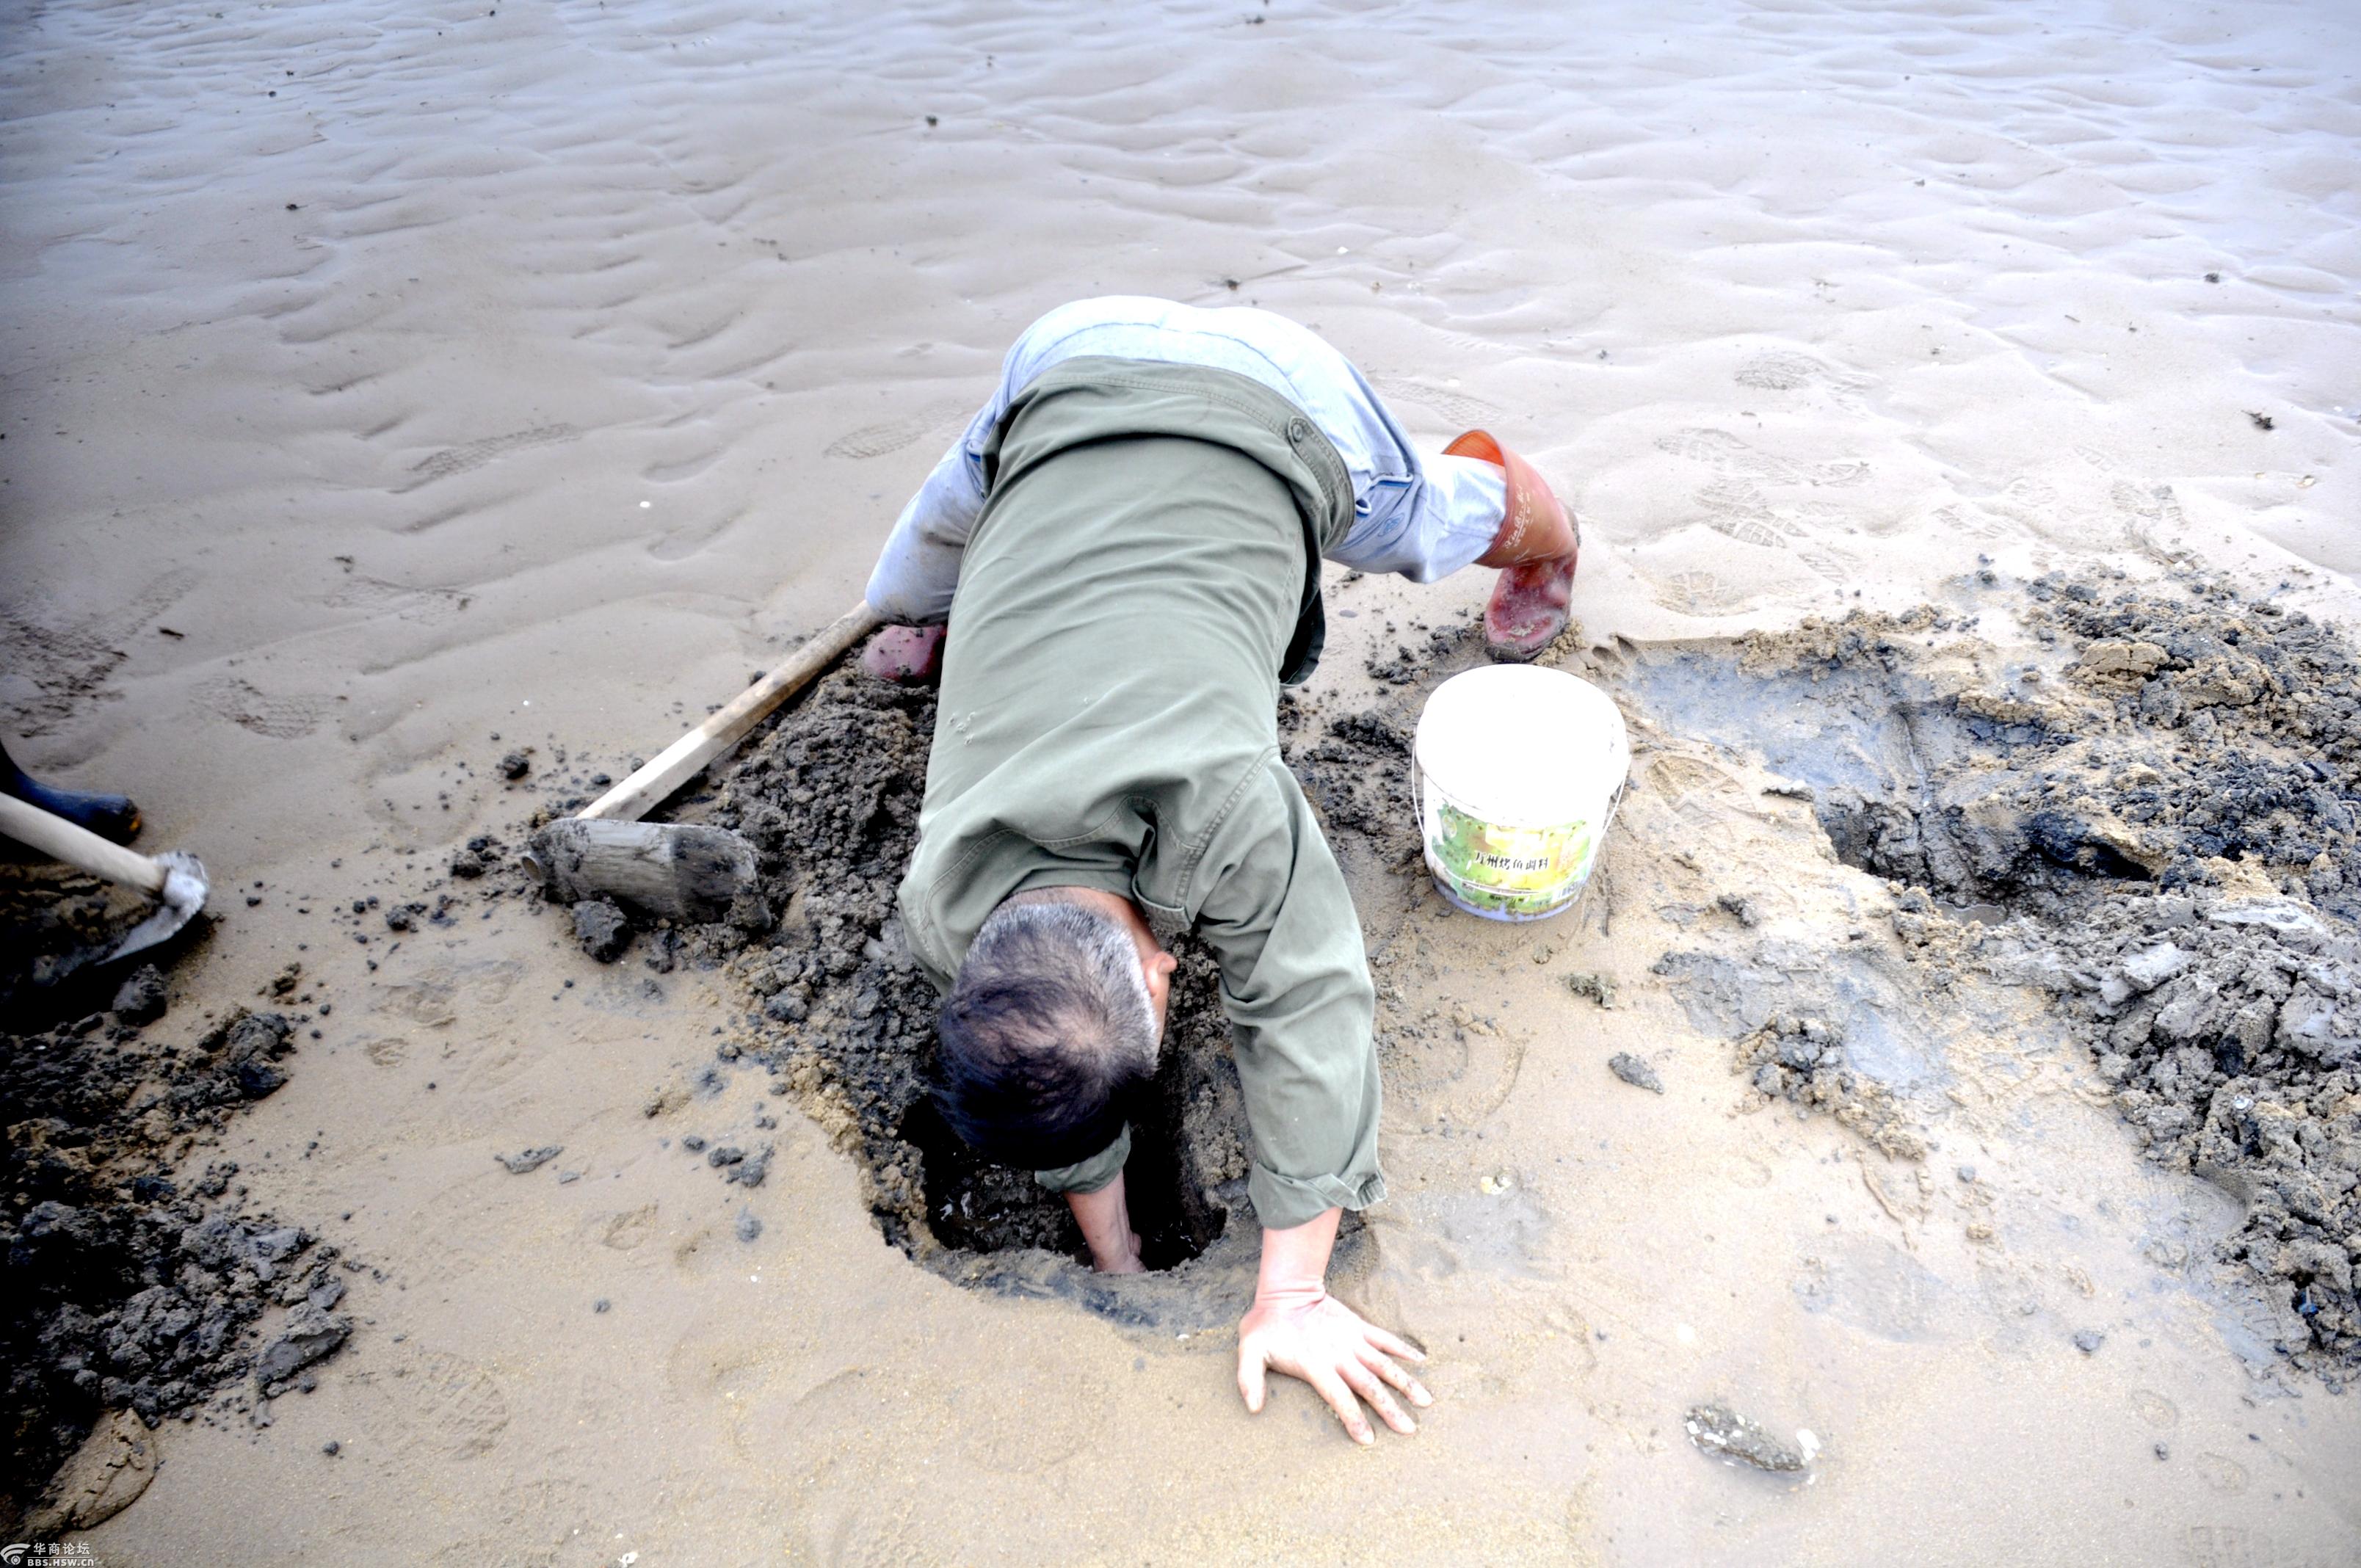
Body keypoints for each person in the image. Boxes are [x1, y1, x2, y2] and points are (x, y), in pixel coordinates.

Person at [860, 297, 1577, 1445]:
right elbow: (1054, 1056)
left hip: (1280, 402)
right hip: (1061, 372)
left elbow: (1311, 1006)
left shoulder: (1226, 808)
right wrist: (1117, 1253)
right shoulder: (945, 903)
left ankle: (1545, 526)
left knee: (1421, 524)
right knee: (898, 598)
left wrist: (1292, 1292)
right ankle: (924, 615)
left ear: (1157, 978)